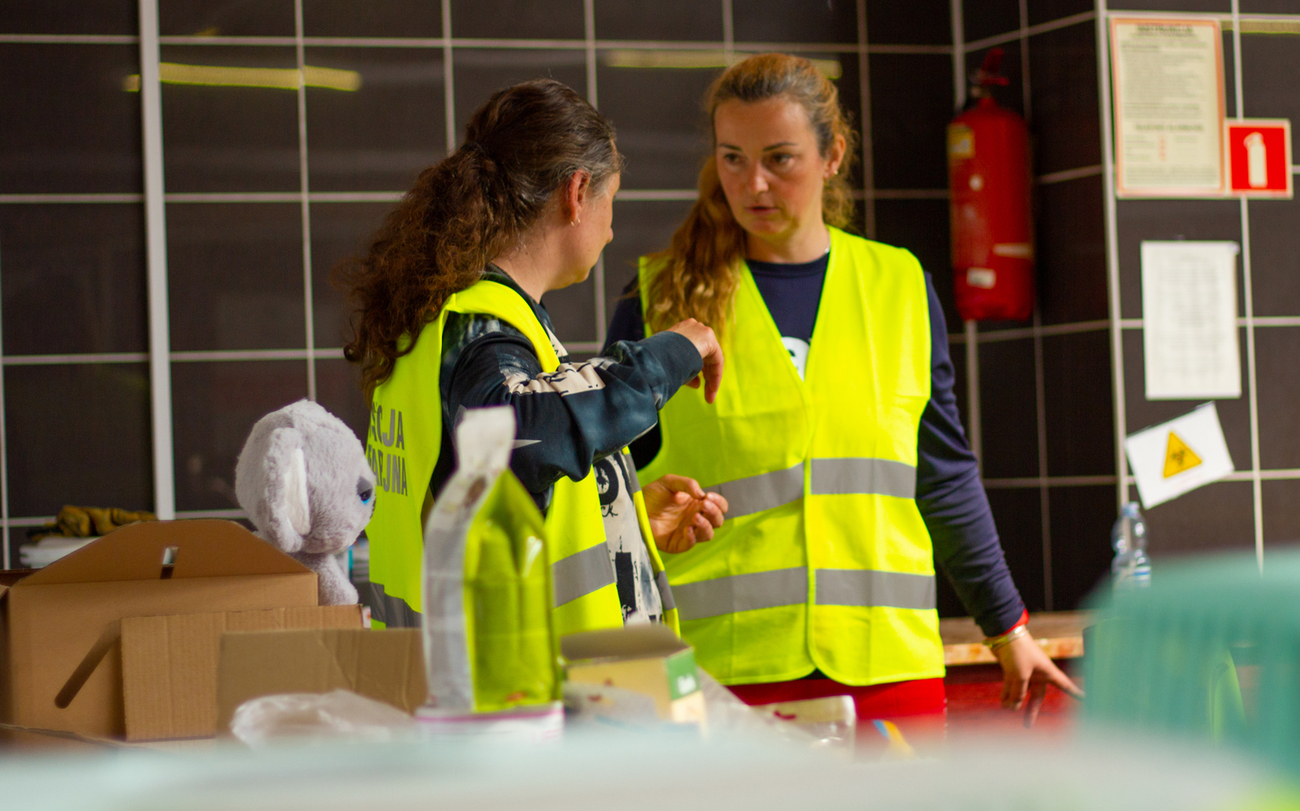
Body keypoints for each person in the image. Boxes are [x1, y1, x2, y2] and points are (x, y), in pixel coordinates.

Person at [605, 54, 1081, 726]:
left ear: (832, 156)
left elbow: (942, 477)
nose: (754, 182)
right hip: (722, 676)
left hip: (887, 668)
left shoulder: (900, 286)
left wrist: (1008, 627)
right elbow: (605, 492)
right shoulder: (657, 298)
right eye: (733, 158)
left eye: (780, 158)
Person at [339, 79, 728, 639]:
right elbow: (520, 432)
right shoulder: (482, 324)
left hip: (474, 687)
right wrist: (667, 356)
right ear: (576, 192)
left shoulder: (454, 319)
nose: (612, 228)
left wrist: (620, 515)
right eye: (610, 202)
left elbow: (494, 496)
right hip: (521, 698)